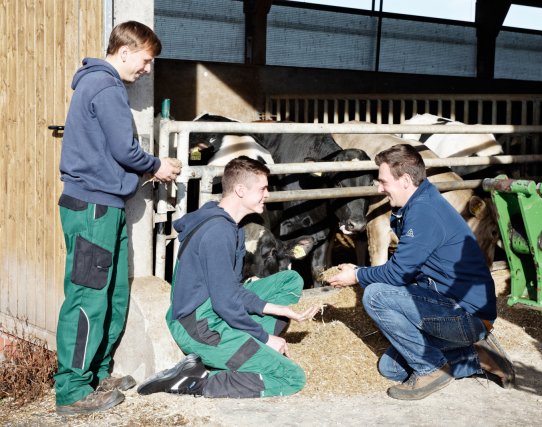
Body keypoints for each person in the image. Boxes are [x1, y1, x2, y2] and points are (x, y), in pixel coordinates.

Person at [55, 21, 182, 415]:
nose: (146, 70)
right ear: (124, 51)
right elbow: (125, 151)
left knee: (113, 292)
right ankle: (72, 389)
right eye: (145, 61)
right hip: (93, 206)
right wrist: (157, 165)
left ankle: (96, 373)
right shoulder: (106, 86)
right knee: (88, 295)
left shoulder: (99, 86)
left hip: (105, 203)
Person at [328, 144, 515, 400]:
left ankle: (430, 369)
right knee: (391, 367)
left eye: (383, 181)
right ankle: (477, 357)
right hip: (443, 302)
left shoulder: (424, 211)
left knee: (375, 295)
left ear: (405, 180)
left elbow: (397, 274)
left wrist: (357, 275)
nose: (379, 188)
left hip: (465, 314)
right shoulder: (415, 204)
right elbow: (405, 273)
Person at [137, 156, 319, 398]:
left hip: (210, 310)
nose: (267, 195)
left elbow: (233, 291)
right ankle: (195, 381)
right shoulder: (218, 232)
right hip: (199, 327)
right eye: (263, 189)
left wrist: (282, 310)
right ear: (241, 190)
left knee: (290, 280)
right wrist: (264, 338)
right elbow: (226, 302)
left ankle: (244, 345)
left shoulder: (231, 227)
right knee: (291, 377)